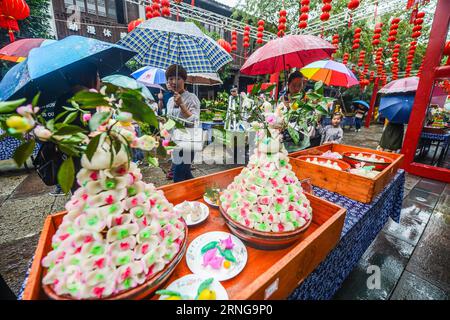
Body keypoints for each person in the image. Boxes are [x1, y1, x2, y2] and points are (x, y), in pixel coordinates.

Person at [48, 62, 101, 196]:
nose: (100, 80)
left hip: (72, 163)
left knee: (82, 201)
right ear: (88, 77)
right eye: (98, 76)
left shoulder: (62, 100)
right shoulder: (92, 100)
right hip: (96, 161)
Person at [165, 64, 200, 183]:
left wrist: (181, 104)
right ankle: (201, 189)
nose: (174, 81)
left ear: (184, 80)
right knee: (186, 174)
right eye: (170, 78)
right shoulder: (170, 101)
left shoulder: (191, 98)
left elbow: (195, 121)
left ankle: (181, 201)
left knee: (178, 178)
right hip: (176, 142)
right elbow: (170, 122)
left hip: (189, 142)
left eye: (178, 78)